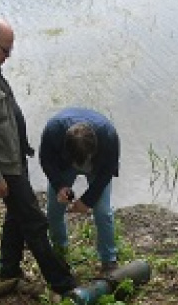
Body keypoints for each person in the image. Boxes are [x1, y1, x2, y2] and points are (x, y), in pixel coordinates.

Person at [0, 18, 77, 296]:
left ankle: (8, 268)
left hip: (14, 158)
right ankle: (62, 283)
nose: (7, 58)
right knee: (33, 220)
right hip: (4, 166)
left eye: (10, 52)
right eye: (4, 51)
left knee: (16, 216)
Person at [39, 107, 120, 276]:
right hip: (64, 166)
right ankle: (60, 251)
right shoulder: (53, 130)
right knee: (54, 210)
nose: (80, 167)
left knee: (103, 212)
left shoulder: (109, 136)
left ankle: (109, 260)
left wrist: (87, 201)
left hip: (98, 166)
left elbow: (108, 170)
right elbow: (46, 160)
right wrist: (59, 186)